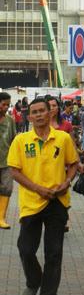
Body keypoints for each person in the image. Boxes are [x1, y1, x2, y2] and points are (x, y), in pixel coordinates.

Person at [7, 97, 79, 295]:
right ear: (29, 116)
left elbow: (73, 164)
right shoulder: (21, 141)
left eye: (42, 111)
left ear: (50, 113)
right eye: (34, 112)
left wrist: (66, 183)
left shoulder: (63, 138)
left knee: (54, 252)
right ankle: (34, 280)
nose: (38, 115)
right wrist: (38, 189)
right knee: (25, 248)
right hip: (31, 203)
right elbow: (14, 171)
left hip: (57, 202)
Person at [0, 92, 17, 229]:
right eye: (3, 104)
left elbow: (13, 141)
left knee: (6, 189)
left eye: (7, 105)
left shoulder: (10, 121)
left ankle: (1, 218)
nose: (6, 107)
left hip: (6, 162)